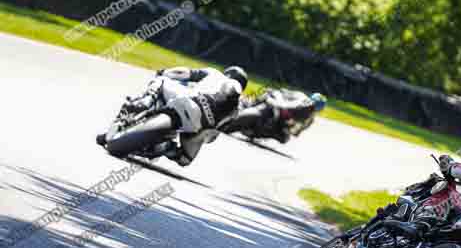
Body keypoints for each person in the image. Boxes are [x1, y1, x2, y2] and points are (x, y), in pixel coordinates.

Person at [110, 66, 248, 165]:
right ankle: (167, 148)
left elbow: (185, 73)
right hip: (196, 125)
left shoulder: (215, 74)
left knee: (162, 80)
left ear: (228, 73)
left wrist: (163, 72)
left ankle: (148, 99)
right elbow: (211, 138)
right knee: (185, 159)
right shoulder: (236, 111)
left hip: (186, 100)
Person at [239, 88, 326, 143]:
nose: (312, 107)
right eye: (313, 104)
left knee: (284, 138)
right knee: (267, 94)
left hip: (283, 122)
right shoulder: (300, 96)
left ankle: (256, 134)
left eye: (316, 107)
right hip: (281, 106)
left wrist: (291, 128)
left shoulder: (309, 120)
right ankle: (249, 103)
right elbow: (285, 92)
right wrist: (280, 93)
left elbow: (296, 132)